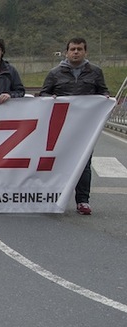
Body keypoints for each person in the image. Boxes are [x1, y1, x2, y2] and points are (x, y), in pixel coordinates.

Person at [40, 37, 109, 215]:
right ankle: (52, 196)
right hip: (61, 128)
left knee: (84, 163)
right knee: (56, 161)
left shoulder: (95, 72)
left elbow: (103, 91)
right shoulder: (55, 73)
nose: (76, 52)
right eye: (73, 49)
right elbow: (44, 93)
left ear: (85, 52)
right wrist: (50, 98)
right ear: (67, 52)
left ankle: (83, 201)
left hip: (86, 128)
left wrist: (106, 99)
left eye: (79, 49)